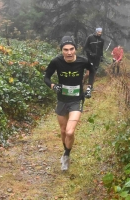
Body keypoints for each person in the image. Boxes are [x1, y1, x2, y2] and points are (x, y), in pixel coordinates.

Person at [44, 36, 95, 171]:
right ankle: (65, 151)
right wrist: (53, 86)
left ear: (75, 50)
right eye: (65, 50)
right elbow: (46, 77)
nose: (69, 52)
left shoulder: (83, 61)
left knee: (70, 131)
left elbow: (92, 71)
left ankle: (66, 155)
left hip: (76, 100)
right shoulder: (56, 61)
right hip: (62, 100)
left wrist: (89, 87)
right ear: (61, 51)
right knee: (63, 131)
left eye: (72, 49)